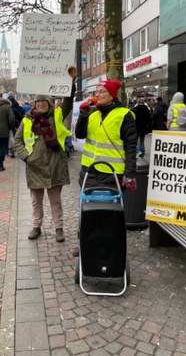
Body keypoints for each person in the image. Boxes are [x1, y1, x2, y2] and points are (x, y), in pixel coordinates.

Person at [75, 80, 138, 256]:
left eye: (102, 91)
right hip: (88, 171)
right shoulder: (92, 114)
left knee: (109, 212)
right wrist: (83, 115)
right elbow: (79, 134)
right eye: (96, 91)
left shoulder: (125, 115)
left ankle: (108, 246)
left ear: (112, 94)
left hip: (112, 174)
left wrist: (130, 174)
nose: (97, 95)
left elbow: (131, 147)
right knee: (85, 209)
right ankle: (83, 244)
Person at [12, 84, 75, 242]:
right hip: (35, 167)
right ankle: (36, 226)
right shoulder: (27, 120)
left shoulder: (57, 115)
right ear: (34, 104)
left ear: (49, 103)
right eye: (38, 101)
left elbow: (68, 102)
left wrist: (71, 83)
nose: (41, 103)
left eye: (44, 101)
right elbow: (17, 141)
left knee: (55, 201)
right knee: (36, 201)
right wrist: (27, 157)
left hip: (54, 165)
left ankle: (58, 228)